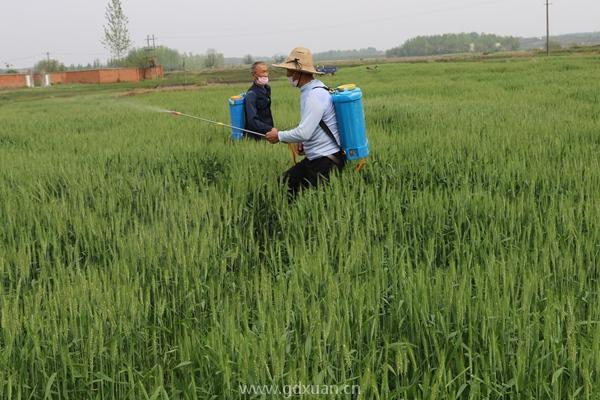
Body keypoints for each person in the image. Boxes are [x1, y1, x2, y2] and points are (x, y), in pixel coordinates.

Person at [265, 47, 345, 197]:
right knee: (282, 187)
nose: (287, 75)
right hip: (316, 159)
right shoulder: (311, 90)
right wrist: (304, 144)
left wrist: (279, 135)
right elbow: (312, 127)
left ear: (300, 72)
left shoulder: (315, 95)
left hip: (325, 162)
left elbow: (304, 132)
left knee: (316, 203)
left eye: (289, 71)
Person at [244, 61, 274, 140]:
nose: (266, 74)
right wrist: (270, 129)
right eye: (263, 72)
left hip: (268, 134)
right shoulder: (251, 94)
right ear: (254, 75)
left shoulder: (267, 88)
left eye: (267, 71)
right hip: (257, 137)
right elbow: (252, 121)